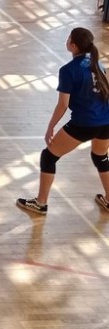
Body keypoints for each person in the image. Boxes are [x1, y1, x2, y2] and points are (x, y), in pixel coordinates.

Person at [17, 27, 109, 215]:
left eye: (68, 38)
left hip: (85, 123)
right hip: (106, 121)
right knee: (100, 156)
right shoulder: (98, 64)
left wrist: (50, 127)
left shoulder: (68, 70)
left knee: (48, 156)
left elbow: (63, 105)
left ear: (73, 45)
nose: (66, 41)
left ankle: (41, 203)